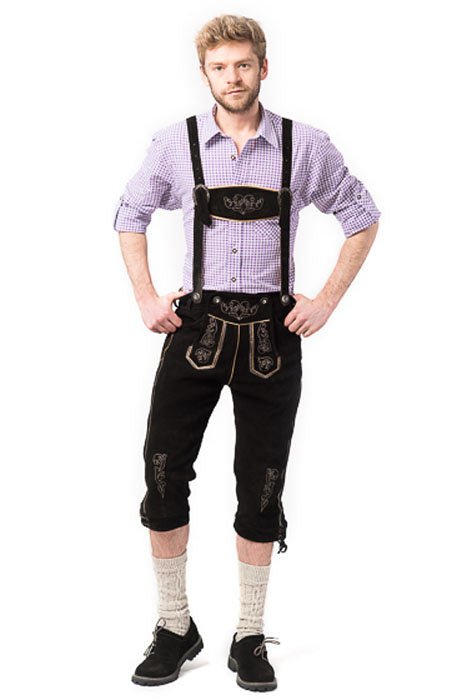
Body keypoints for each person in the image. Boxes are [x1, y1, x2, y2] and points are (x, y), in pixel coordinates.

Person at [113, 14, 381, 692]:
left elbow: (361, 216)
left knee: (262, 485)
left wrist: (325, 301)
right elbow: (129, 214)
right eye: (219, 67)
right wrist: (146, 298)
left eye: (241, 65)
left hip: (272, 337)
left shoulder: (304, 145)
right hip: (194, 331)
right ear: (204, 74)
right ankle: (174, 625)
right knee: (163, 474)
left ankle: (249, 634)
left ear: (263, 67)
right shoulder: (174, 144)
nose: (231, 77)